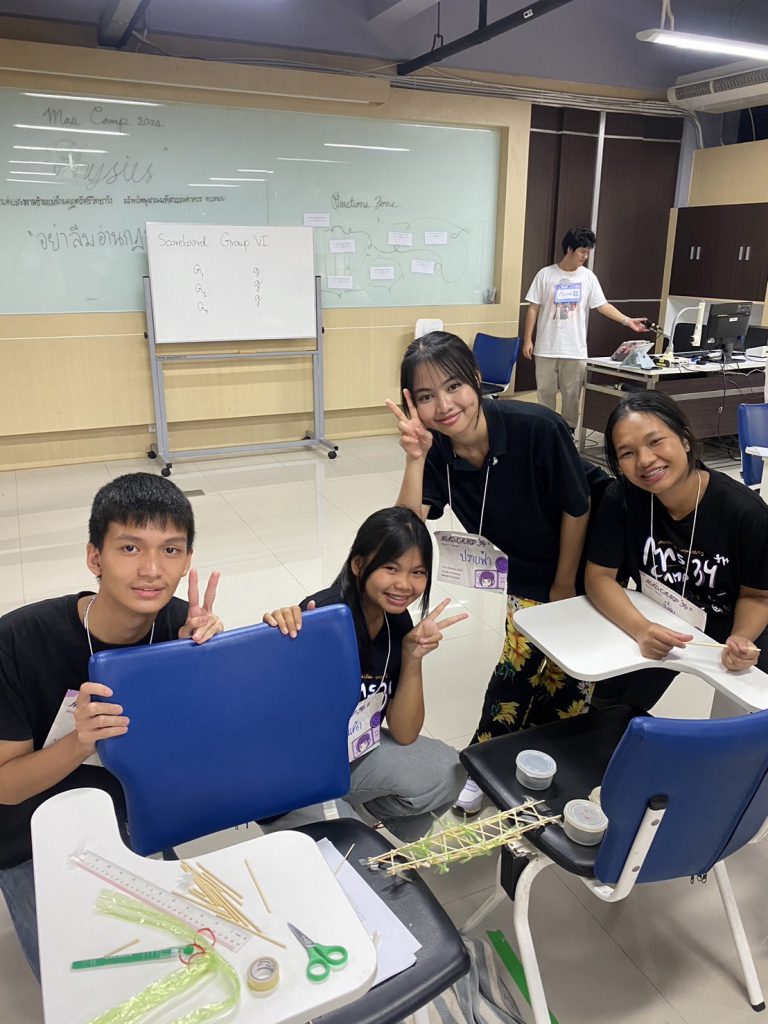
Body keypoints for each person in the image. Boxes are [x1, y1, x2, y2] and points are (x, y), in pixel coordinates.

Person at [0, 473, 222, 980]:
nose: (152, 570)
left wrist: (201, 667)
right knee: (87, 979)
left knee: (180, 963)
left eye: (171, 550)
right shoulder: (17, 641)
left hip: (132, 814)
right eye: (129, 547)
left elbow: (197, 752)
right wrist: (79, 741)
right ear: (94, 558)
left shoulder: (181, 626)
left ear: (187, 558)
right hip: (30, 834)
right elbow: (6, 787)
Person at [387, 331, 593, 815]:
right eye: (426, 396)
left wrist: (564, 585)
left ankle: (550, 765)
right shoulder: (437, 450)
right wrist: (416, 458)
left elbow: (578, 507)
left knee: (568, 676)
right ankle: (489, 766)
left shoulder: (537, 428)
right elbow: (407, 526)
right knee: (519, 669)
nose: (444, 405)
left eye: (454, 386)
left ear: (477, 380)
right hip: (521, 569)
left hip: (586, 565)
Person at [263, 506, 467, 841]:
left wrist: (412, 658)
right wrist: (277, 642)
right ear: (358, 565)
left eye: (417, 572)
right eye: (391, 568)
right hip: (295, 775)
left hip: (349, 753)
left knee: (449, 769)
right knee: (350, 850)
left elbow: (404, 733)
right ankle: (313, 824)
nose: (404, 584)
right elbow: (272, 719)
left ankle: (354, 814)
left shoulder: (396, 620)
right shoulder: (319, 618)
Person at [586, 391, 768, 710]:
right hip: (657, 618)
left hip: (728, 625)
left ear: (685, 439)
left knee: (750, 711)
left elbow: (758, 596)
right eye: (627, 453)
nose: (645, 460)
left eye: (655, 441)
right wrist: (641, 628)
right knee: (609, 707)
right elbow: (599, 576)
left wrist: (742, 637)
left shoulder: (745, 513)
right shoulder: (623, 498)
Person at [522, 226, 648, 429]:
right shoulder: (545, 275)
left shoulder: (588, 278)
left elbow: (602, 305)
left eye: (588, 252)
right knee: (545, 392)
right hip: (546, 347)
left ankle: (569, 430)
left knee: (572, 395)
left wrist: (627, 320)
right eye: (582, 251)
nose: (585, 256)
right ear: (569, 249)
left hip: (575, 348)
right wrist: (528, 339)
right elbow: (533, 308)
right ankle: (546, 430)